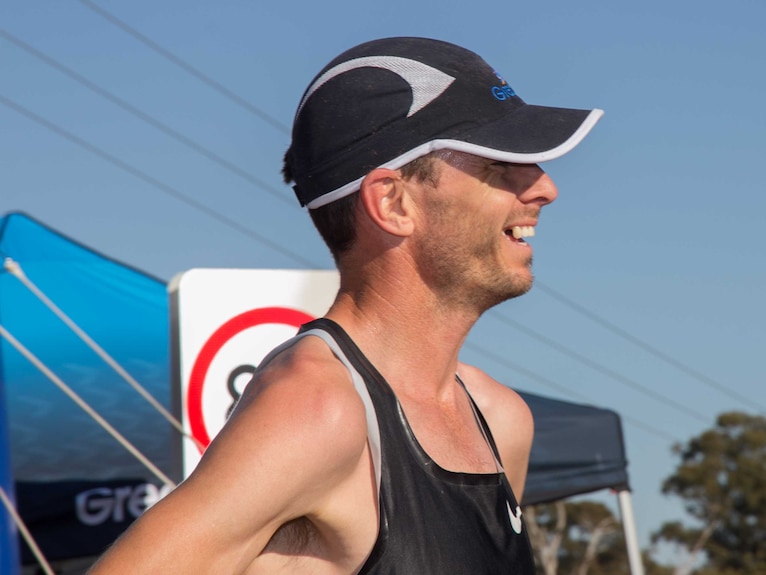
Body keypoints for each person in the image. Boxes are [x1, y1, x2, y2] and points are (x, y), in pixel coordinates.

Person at [89, 36, 602, 574]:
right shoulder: (319, 410)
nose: (546, 188)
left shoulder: (501, 420)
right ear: (392, 202)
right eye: (501, 166)